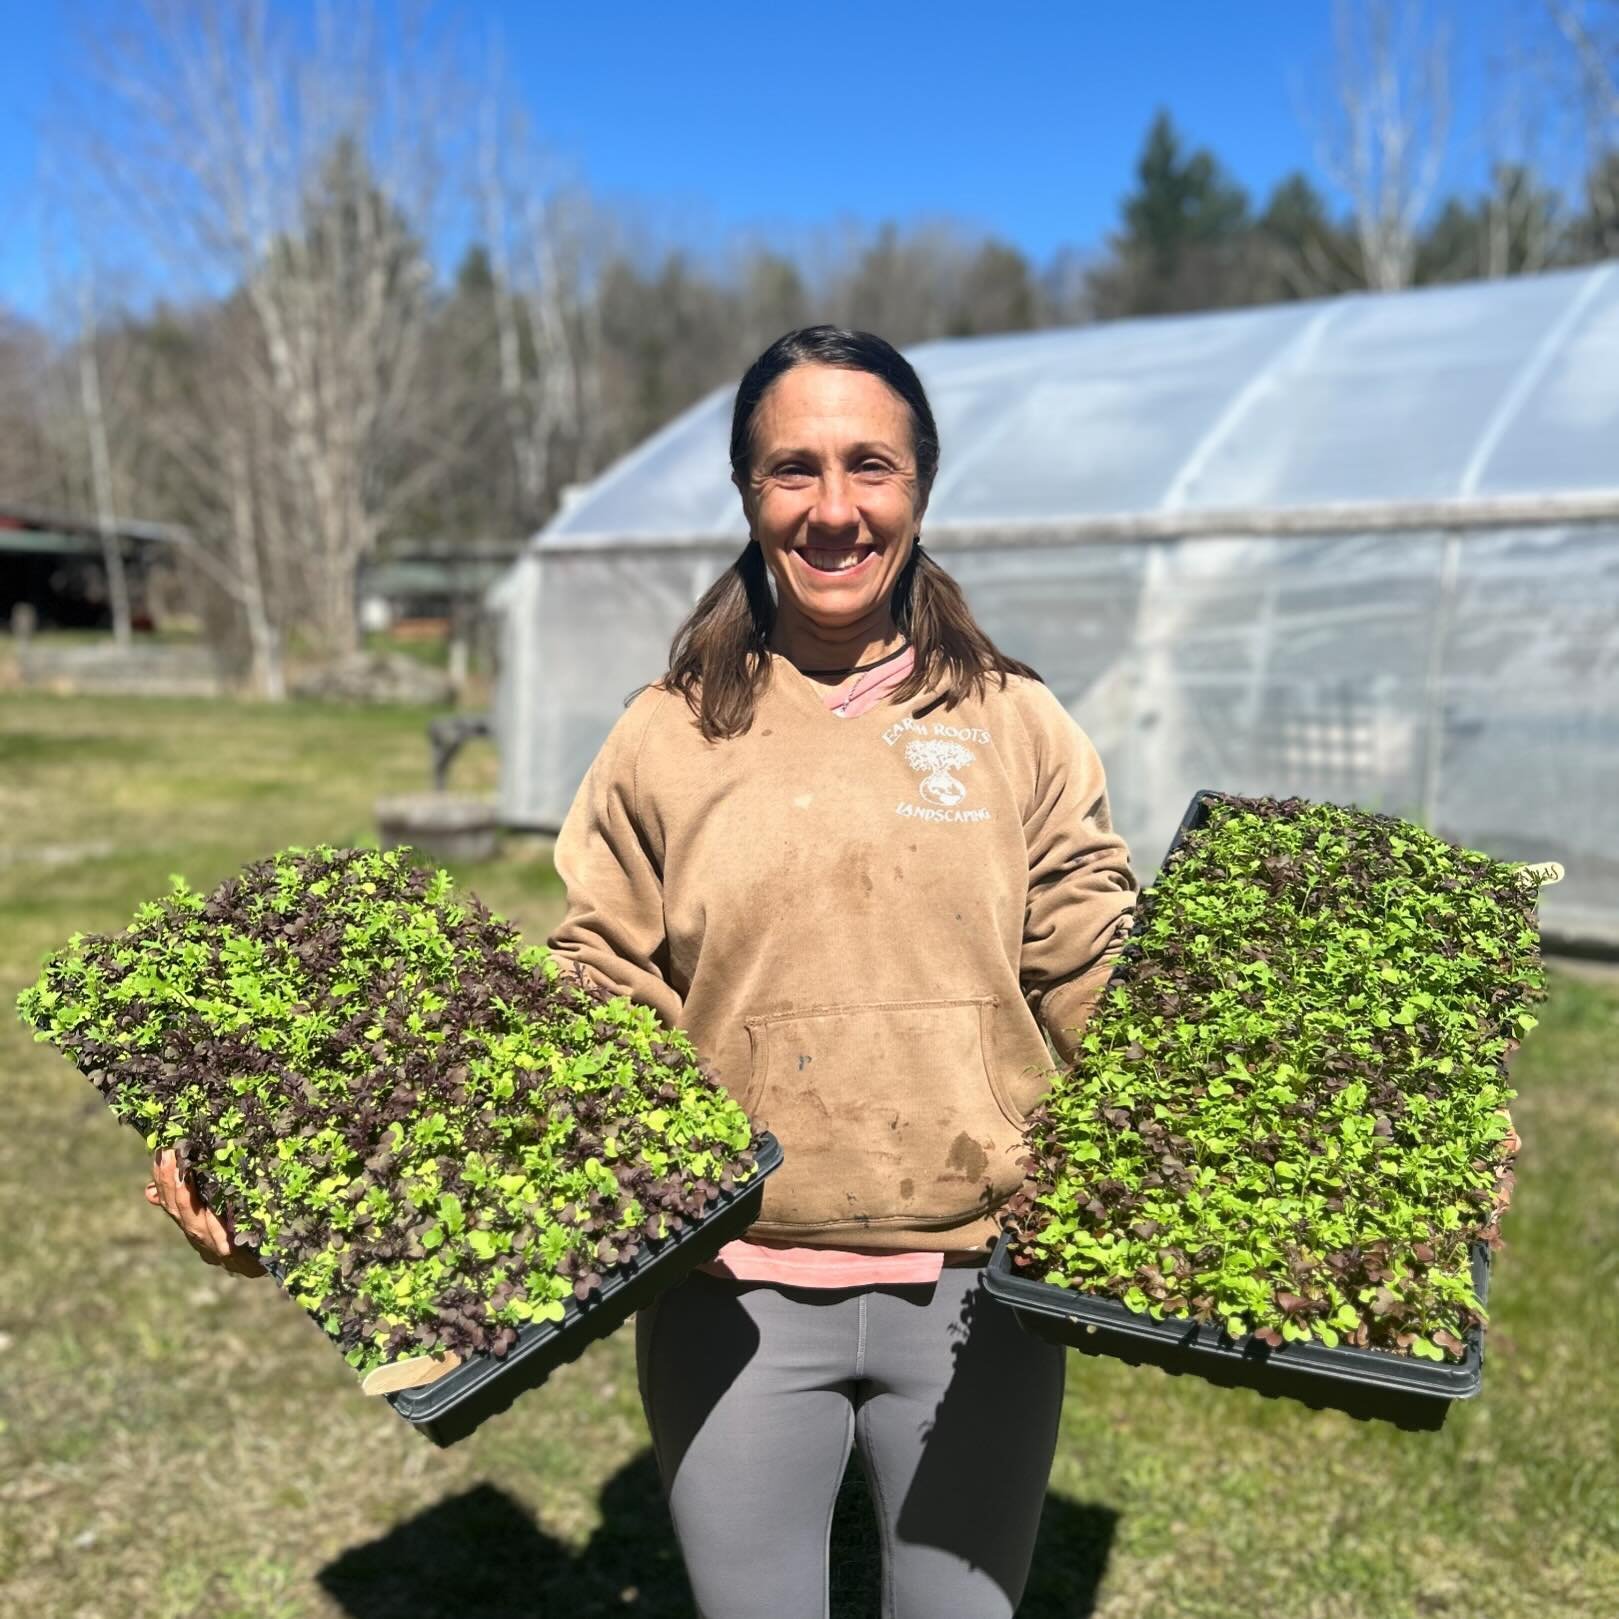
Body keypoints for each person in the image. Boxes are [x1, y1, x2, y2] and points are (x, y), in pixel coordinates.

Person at [144, 326, 1518, 1618]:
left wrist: (1385, 1161)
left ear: (918, 487)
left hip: (977, 1296)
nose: (834, 505)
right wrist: (300, 1173)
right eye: (794, 466)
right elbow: (592, 998)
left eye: (871, 464)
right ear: (750, 489)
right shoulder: (663, 736)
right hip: (725, 1304)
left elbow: (1098, 958)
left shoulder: (1016, 722)